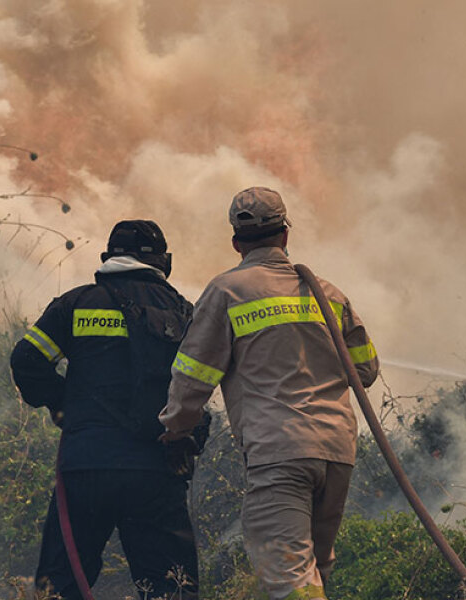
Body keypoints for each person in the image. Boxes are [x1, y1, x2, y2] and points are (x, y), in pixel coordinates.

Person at [159, 187, 379, 600]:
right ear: (284, 237)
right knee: (315, 571)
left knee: (289, 578)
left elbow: (193, 376)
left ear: (236, 243)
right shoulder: (327, 294)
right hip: (336, 453)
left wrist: (175, 429)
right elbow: (365, 369)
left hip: (279, 454)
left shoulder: (228, 291)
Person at [10, 220, 207, 600]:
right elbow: (199, 387)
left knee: (59, 584)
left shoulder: (75, 304)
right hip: (154, 470)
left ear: (107, 258)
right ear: (164, 262)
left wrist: (63, 404)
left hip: (85, 467)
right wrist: (191, 437)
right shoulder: (184, 312)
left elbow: (27, 360)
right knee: (171, 588)